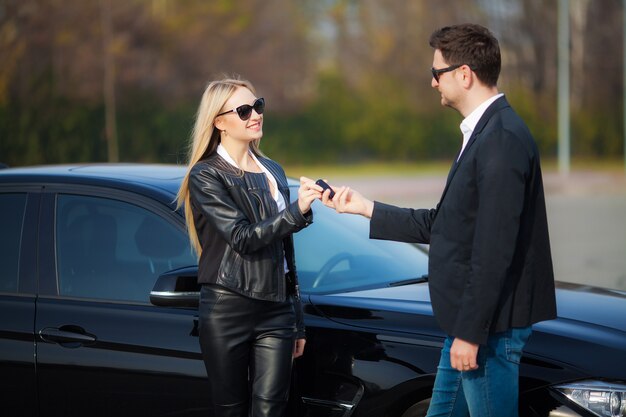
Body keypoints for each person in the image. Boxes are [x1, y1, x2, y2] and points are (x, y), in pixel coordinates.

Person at [322, 24, 557, 417]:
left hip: (487, 330)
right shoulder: (482, 133)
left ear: (464, 74)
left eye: (437, 73)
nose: (433, 83)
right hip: (469, 324)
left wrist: (470, 333)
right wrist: (366, 208)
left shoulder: (501, 140)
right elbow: (446, 225)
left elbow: (493, 249)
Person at [177, 77, 321, 417]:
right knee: (232, 411)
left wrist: (296, 319)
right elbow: (242, 237)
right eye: (243, 110)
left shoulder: (272, 169)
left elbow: (286, 254)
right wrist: (296, 212)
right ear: (219, 122)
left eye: (258, 106)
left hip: (276, 310)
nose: (255, 115)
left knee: (272, 410)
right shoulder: (205, 175)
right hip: (228, 308)